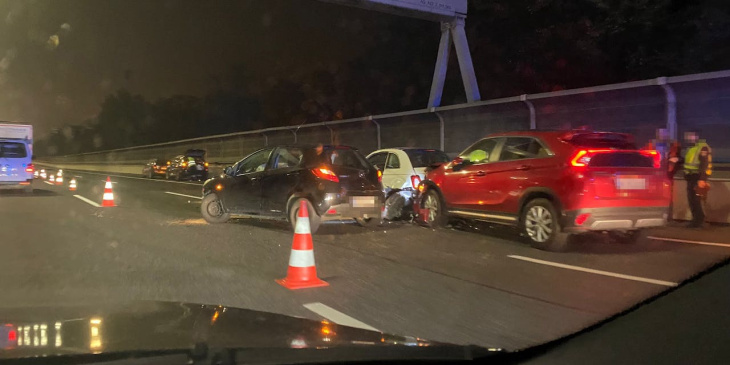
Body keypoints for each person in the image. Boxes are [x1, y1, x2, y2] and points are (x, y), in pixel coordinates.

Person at [682, 131, 712, 228]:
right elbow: (688, 163)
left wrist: (702, 179)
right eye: (687, 136)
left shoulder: (702, 147)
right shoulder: (691, 148)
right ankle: (696, 220)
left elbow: (704, 163)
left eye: (691, 136)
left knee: (696, 200)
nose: (689, 138)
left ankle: (699, 221)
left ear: (696, 136)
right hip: (690, 177)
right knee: (692, 199)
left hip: (698, 177)